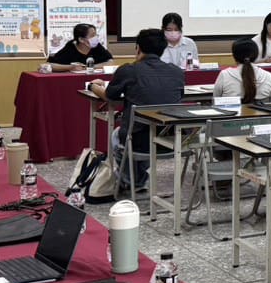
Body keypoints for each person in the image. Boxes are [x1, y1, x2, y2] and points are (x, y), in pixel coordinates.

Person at [90, 28, 185, 187]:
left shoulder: (129, 70)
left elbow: (109, 96)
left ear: (138, 48)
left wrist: (93, 86)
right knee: (138, 133)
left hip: (139, 140)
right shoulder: (176, 72)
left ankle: (129, 180)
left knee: (117, 135)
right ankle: (135, 180)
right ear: (163, 49)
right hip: (170, 139)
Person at [214, 38, 271, 103]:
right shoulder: (268, 75)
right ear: (256, 54)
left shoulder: (225, 75)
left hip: (232, 110)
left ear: (234, 56)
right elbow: (270, 102)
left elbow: (215, 101)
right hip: (261, 109)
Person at [47, 23, 111, 71]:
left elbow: (110, 62)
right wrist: (70, 67)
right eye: (92, 36)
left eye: (95, 35)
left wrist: (90, 67)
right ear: (81, 39)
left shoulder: (97, 46)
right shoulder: (70, 47)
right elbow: (50, 65)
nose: (95, 38)